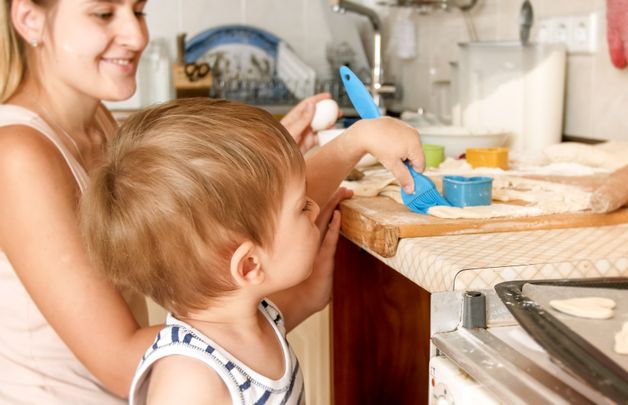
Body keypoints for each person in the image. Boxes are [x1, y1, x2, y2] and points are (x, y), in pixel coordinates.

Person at [0, 0, 424, 402]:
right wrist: (290, 303)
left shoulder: (98, 122)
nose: (136, 34)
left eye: (139, 10)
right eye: (104, 13)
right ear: (29, 19)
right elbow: (122, 364)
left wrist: (264, 175)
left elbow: (245, 228)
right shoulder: (17, 155)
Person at [81, 97, 339, 404]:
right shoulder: (190, 379)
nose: (315, 209)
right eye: (302, 207)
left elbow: (300, 304)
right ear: (249, 265)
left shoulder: (256, 319)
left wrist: (311, 292)